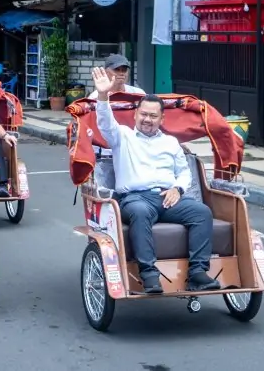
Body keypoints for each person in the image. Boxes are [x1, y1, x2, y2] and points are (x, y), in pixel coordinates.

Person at [91, 67, 220, 294]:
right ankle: (149, 275)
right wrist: (103, 96)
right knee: (140, 213)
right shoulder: (122, 136)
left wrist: (178, 189)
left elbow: (184, 172)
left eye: (153, 116)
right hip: (134, 198)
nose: (147, 120)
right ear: (135, 115)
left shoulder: (171, 142)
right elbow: (104, 123)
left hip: (167, 197)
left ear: (162, 118)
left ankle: (197, 272)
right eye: (143, 114)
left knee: (202, 212)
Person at [88, 54, 145, 190]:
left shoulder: (139, 94)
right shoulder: (95, 97)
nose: (121, 73)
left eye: (124, 70)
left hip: (132, 151)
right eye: (116, 70)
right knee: (106, 195)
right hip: (104, 153)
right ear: (106, 72)